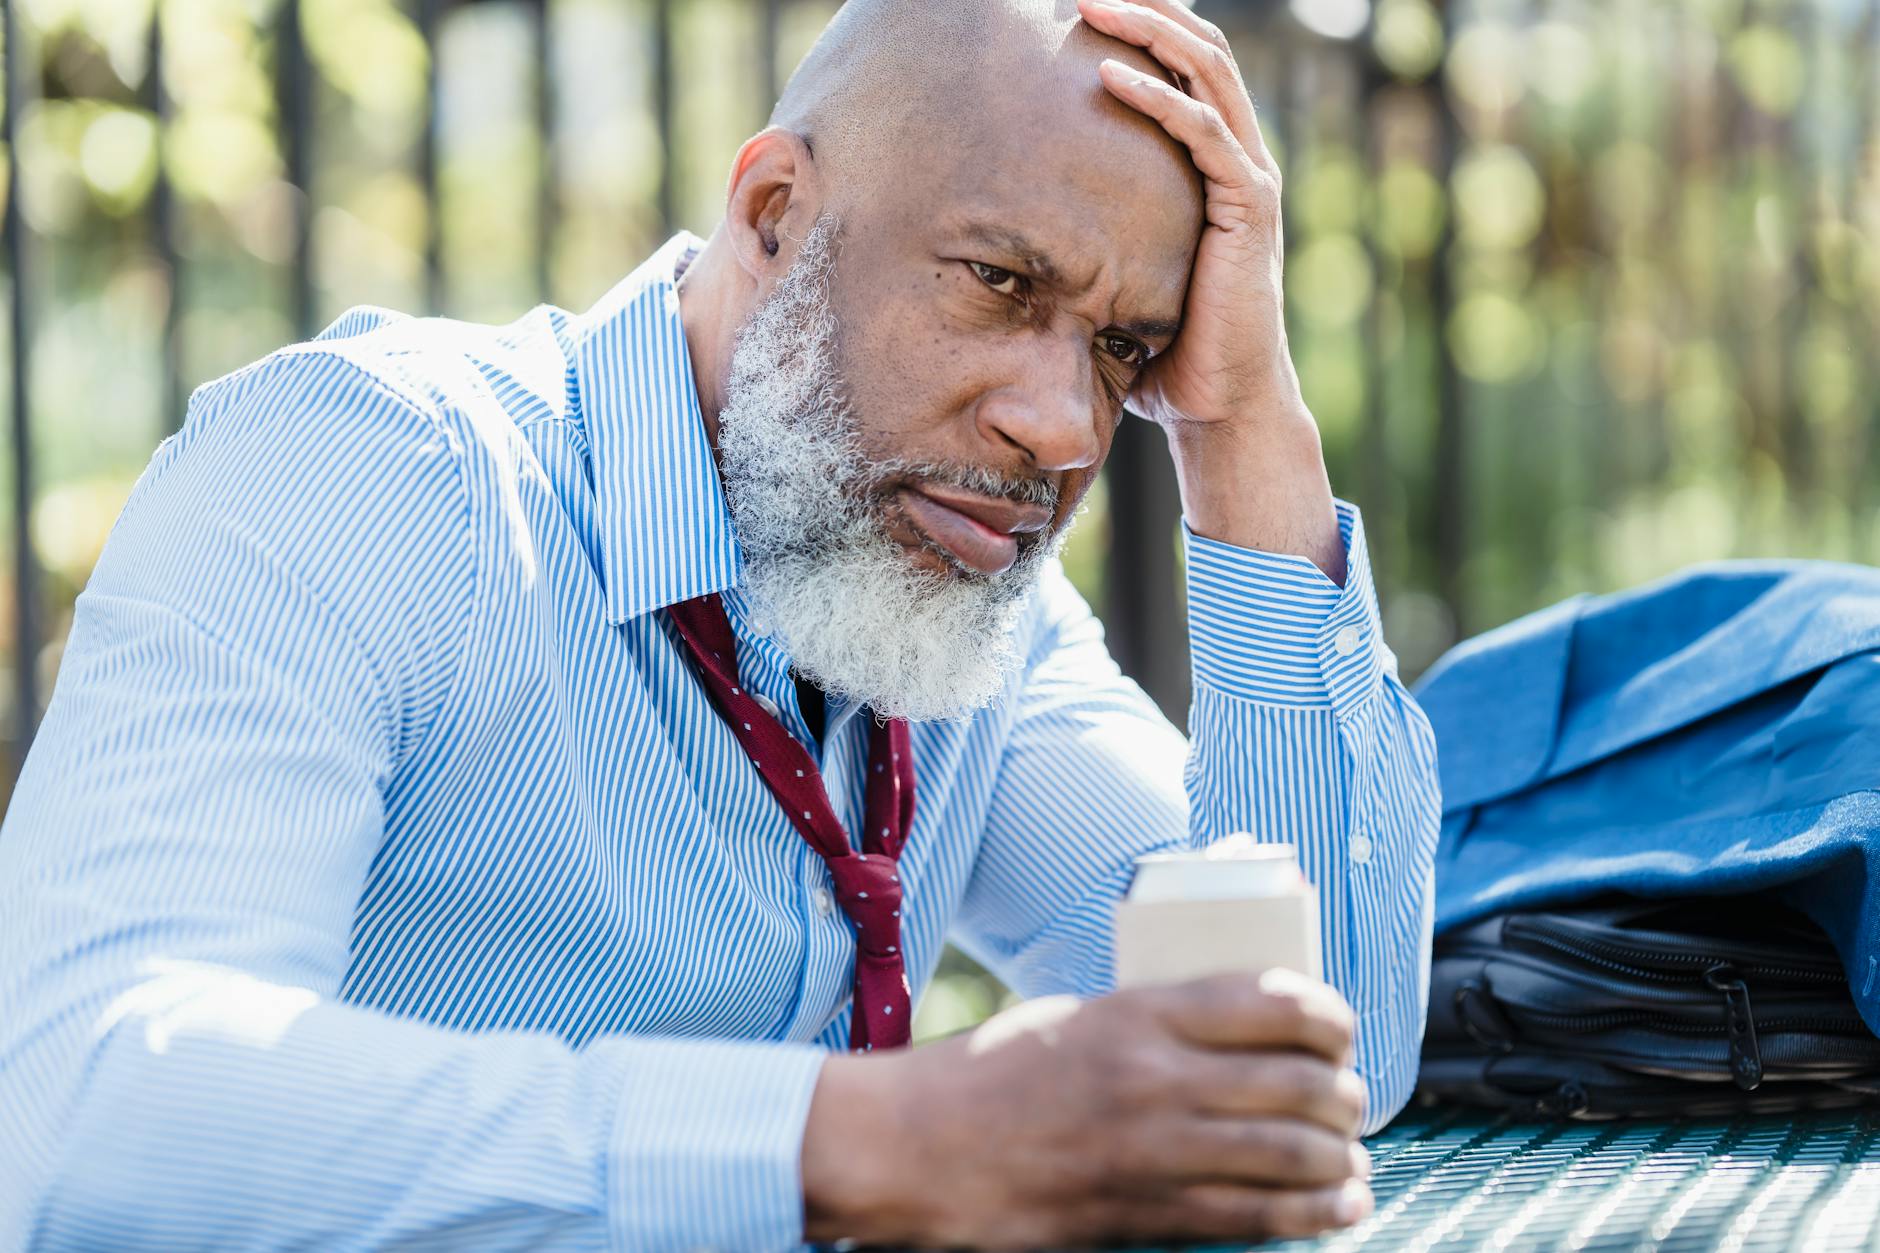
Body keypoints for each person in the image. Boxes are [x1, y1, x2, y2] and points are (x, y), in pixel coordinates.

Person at [0, 0, 1440, 1246]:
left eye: (1123, 350)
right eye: (1000, 284)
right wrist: (869, 1141)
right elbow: (89, 1109)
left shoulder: (969, 617)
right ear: (774, 215)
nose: (1062, 427)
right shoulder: (369, 472)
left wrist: (1246, 421)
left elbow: (1325, 1057)